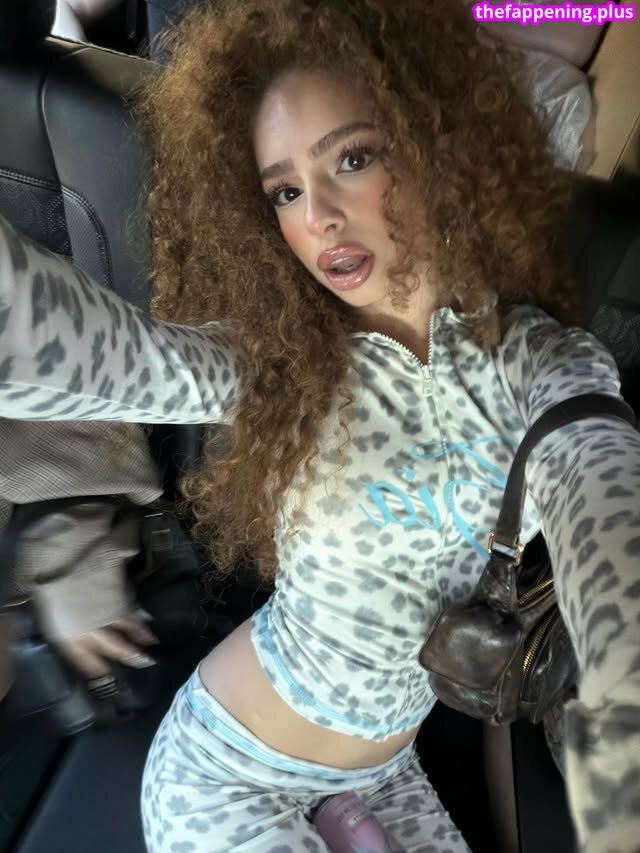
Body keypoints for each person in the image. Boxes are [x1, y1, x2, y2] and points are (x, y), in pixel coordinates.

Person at [0, 0, 639, 850]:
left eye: (353, 157)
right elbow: (98, 355)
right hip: (228, 770)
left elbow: (602, 492)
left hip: (388, 770)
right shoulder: (287, 365)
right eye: (286, 190)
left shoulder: (539, 360)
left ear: (435, 143)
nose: (320, 218)